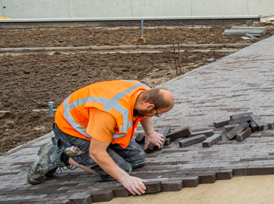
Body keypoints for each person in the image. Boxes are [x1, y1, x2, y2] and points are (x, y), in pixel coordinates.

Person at [27, 81, 174, 195]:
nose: (155, 116)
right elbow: (96, 153)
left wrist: (150, 133)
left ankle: (104, 143)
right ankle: (57, 156)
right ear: (149, 106)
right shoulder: (109, 113)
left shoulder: (142, 91)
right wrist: (125, 179)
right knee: (122, 169)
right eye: (157, 113)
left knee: (137, 158)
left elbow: (144, 113)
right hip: (72, 129)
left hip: (99, 128)